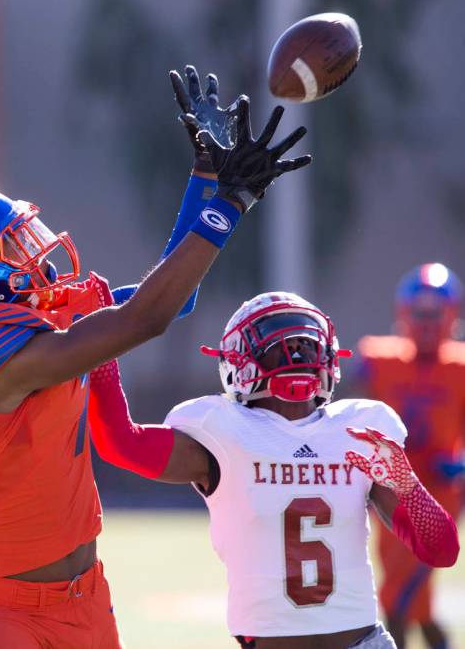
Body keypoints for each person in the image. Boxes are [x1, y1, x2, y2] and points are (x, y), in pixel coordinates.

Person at [0, 66, 311, 649]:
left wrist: (204, 177)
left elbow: (170, 298)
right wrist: (231, 203)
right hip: (5, 615)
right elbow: (143, 319)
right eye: (15, 242)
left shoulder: (37, 323)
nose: (37, 248)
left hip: (85, 600)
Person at [87, 290, 460, 649]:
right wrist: (103, 335)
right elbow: (120, 443)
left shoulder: (358, 430)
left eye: (303, 342)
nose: (294, 350)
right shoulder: (223, 431)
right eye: (280, 342)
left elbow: (442, 551)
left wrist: (408, 485)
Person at [355, 263, 465, 649]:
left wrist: (460, 461)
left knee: (401, 596)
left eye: (435, 312)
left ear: (452, 314)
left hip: (438, 495)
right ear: (404, 313)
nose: (427, 322)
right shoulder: (379, 361)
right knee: (404, 597)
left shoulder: (460, 367)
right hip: (389, 494)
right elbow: (357, 415)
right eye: (420, 312)